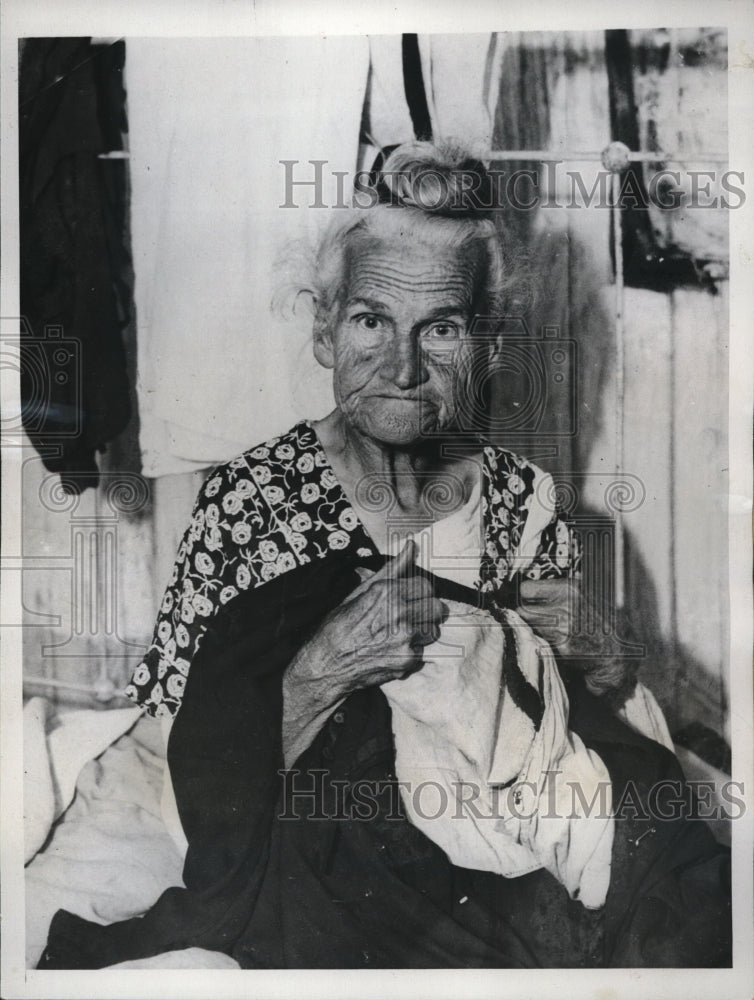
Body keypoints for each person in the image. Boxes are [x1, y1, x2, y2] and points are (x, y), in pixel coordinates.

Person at [38, 141, 730, 970]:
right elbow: (185, 771)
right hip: (329, 851)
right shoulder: (252, 502)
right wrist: (319, 674)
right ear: (326, 331)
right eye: (372, 320)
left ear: (488, 344)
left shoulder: (523, 502)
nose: (402, 368)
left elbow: (561, 728)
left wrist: (609, 662)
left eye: (439, 327)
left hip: (489, 844)